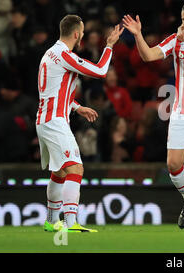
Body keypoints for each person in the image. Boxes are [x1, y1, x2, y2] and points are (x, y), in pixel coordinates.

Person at [122, 0, 184, 231]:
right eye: (183, 20)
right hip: (181, 110)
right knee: (174, 163)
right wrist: (138, 35)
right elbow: (148, 56)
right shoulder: (176, 41)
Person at [38, 14, 123, 232]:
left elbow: (53, 91)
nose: (83, 35)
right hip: (54, 121)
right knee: (76, 168)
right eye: (82, 32)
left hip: (46, 120)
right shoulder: (65, 55)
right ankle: (70, 222)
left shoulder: (50, 53)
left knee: (59, 172)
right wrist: (109, 46)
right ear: (76, 34)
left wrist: (77, 107)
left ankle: (50, 221)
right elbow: (101, 71)